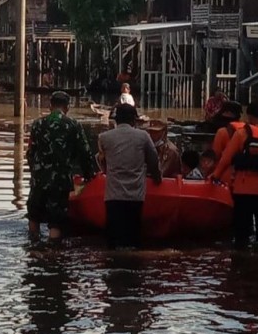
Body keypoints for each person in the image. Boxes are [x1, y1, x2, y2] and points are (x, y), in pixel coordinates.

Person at [210, 102, 258, 247]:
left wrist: (215, 176)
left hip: (242, 190)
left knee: (241, 234)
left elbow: (226, 158)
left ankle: (241, 263)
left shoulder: (241, 134)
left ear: (248, 115)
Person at [26, 91, 95, 241]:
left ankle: (32, 246)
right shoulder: (72, 125)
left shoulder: (38, 124)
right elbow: (85, 154)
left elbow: (30, 153)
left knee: (34, 215)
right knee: (56, 221)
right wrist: (90, 176)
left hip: (39, 178)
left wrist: (35, 172)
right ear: (67, 107)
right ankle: (52, 252)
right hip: (60, 179)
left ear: (50, 106)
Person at [97, 104, 162, 248]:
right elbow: (153, 160)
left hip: (113, 195)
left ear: (116, 120)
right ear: (134, 120)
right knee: (133, 239)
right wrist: (157, 177)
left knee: (113, 240)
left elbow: (102, 162)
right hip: (135, 195)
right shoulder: (143, 136)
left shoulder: (104, 137)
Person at [212, 101, 245, 185]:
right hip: (244, 178)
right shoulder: (246, 130)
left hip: (224, 177)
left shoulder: (222, 132)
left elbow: (216, 155)